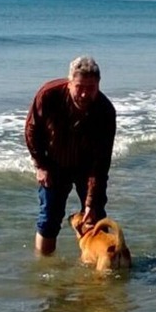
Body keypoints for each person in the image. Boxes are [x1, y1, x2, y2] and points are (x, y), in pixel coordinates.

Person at [25, 56, 117, 256]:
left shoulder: (105, 112)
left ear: (98, 85)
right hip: (54, 163)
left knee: (96, 217)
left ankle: (102, 270)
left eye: (91, 87)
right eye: (79, 86)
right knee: (49, 219)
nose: (85, 93)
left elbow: (101, 164)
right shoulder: (48, 95)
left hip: (88, 167)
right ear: (69, 84)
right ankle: (46, 271)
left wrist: (91, 202)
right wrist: (40, 165)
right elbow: (32, 131)